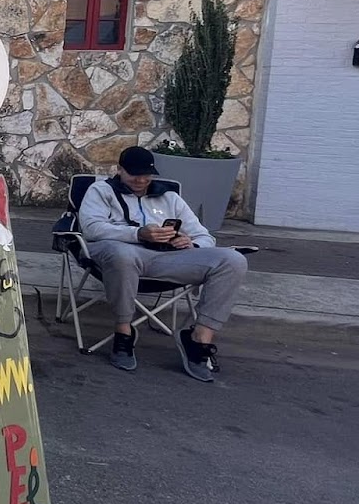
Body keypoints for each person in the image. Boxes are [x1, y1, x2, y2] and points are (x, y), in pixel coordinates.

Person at [77, 145, 248, 382]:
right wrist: (138, 234)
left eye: (147, 174)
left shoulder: (169, 197)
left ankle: (199, 339)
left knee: (233, 260)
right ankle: (123, 332)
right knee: (122, 255)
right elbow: (92, 228)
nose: (141, 179)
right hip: (120, 253)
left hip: (166, 259)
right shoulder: (101, 191)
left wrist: (192, 244)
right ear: (119, 170)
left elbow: (204, 236)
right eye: (134, 173)